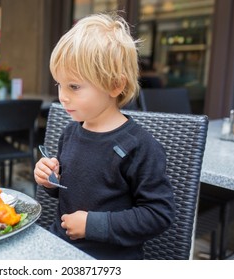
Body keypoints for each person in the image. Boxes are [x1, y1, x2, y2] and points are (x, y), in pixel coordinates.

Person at [34, 13, 175, 260]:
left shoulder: (139, 147)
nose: (63, 96)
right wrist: (50, 180)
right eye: (59, 84)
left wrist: (93, 225)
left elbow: (159, 214)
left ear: (115, 85)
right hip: (60, 248)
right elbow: (71, 190)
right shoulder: (70, 132)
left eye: (74, 86)